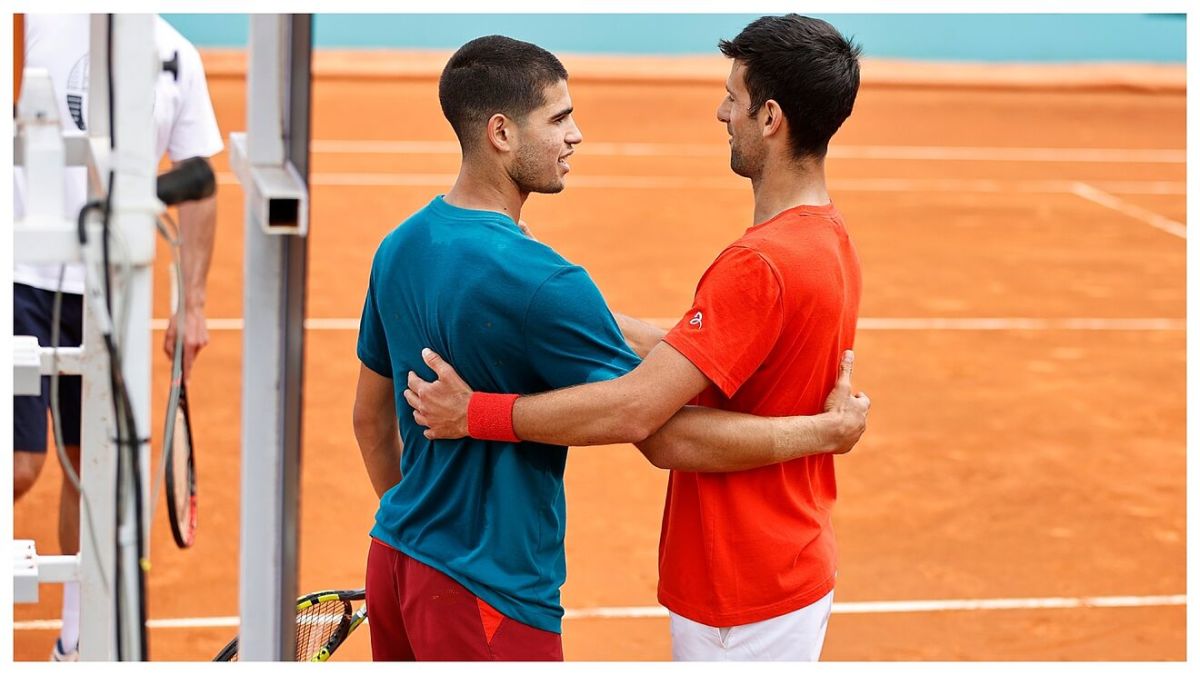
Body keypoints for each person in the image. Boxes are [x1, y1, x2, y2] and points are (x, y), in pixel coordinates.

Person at [353, 31, 867, 662]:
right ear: (501, 133)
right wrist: (827, 432)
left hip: (400, 558)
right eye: (560, 118)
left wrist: (421, 527)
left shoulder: (399, 245)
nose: (575, 136)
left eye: (730, 96)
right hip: (493, 587)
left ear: (770, 116)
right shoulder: (829, 243)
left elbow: (368, 418)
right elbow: (649, 422)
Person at [12, 14, 223, 661]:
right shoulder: (39, 16)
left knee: (92, 469)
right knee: (20, 466)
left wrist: (191, 303)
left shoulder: (176, 56)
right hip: (22, 273)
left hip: (113, 296)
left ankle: (74, 642)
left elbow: (200, 184)